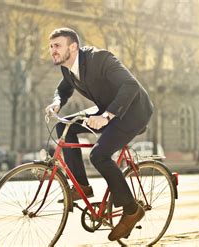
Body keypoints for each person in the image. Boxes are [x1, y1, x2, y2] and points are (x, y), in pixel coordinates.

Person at [45, 28, 153, 241]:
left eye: (57, 45)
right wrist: (57, 103)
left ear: (73, 46)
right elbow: (64, 89)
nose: (52, 51)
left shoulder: (100, 59)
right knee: (65, 126)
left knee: (99, 155)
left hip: (133, 111)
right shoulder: (68, 68)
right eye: (50, 47)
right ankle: (82, 186)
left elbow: (130, 85)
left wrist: (108, 116)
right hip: (106, 109)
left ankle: (131, 210)